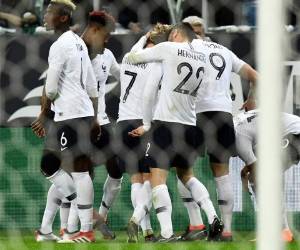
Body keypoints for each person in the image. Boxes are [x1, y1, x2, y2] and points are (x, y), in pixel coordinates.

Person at [127, 23, 223, 242]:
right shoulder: (201, 57)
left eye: (171, 34)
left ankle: (167, 233)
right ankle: (213, 216)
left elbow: (133, 57)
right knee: (187, 175)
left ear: (177, 34)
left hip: (166, 125)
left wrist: (145, 38)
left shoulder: (169, 48)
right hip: (190, 126)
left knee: (157, 179)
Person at [38, 0, 100, 243]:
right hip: (81, 111)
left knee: (74, 170)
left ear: (63, 18)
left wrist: (45, 111)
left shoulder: (60, 45)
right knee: (66, 168)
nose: (45, 15)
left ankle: (83, 227)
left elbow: (51, 87)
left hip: (69, 114)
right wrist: (94, 116)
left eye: (50, 12)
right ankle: (60, 229)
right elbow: (92, 85)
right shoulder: (78, 43)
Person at [188, 37, 257, 241]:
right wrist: (251, 98)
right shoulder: (226, 51)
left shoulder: (191, 46)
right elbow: (256, 76)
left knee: (185, 169)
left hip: (197, 112)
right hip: (223, 114)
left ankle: (197, 224)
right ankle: (226, 231)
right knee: (222, 173)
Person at [116, 23, 171, 243]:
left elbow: (136, 48)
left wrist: (145, 35)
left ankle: (145, 231)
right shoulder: (156, 63)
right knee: (152, 177)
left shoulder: (129, 57)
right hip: (142, 123)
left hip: (122, 122)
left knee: (135, 180)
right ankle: (138, 220)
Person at [234, 110, 300, 243]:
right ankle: (282, 231)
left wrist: (247, 180)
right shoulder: (236, 124)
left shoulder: (238, 138)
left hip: (294, 134)